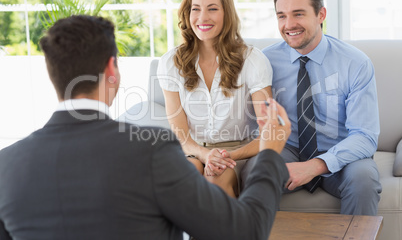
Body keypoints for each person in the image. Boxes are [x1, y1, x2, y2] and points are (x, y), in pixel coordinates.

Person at [0, 15, 290, 240]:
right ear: (112, 70)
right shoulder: (151, 150)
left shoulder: (5, 166)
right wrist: (269, 153)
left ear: (52, 73)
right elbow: (244, 231)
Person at [242, 0, 382, 215]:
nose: (289, 24)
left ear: (321, 14)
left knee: (364, 179)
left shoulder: (355, 63)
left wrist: (315, 166)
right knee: (258, 170)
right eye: (281, 16)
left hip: (341, 155)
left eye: (298, 14)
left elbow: (365, 136)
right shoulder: (264, 61)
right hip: (288, 149)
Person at [157, 0, 273, 197]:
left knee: (215, 179)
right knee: (184, 178)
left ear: (226, 14)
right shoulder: (170, 62)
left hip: (238, 151)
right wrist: (205, 155)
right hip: (192, 150)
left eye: (212, 9)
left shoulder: (252, 60)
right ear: (187, 13)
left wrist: (227, 156)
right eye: (195, 9)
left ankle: (223, 231)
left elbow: (268, 132)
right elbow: (181, 135)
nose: (202, 17)